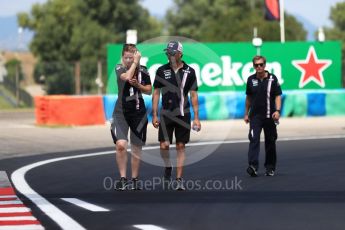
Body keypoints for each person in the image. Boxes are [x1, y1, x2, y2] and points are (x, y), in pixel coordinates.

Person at [152, 41, 201, 190]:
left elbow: (193, 95)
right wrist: (154, 115)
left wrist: (196, 118)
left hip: (183, 114)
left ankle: (179, 179)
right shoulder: (161, 70)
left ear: (180, 53)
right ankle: (168, 167)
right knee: (164, 145)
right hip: (166, 114)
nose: (170, 55)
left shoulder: (190, 71)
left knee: (180, 145)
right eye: (168, 53)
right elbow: (156, 93)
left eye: (172, 53)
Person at [110, 44, 152, 190]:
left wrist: (139, 86)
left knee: (136, 147)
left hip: (138, 112)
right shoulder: (119, 68)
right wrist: (135, 63)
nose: (128, 60)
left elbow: (149, 90)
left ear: (136, 55)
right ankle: (123, 178)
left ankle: (134, 179)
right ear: (123, 57)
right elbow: (126, 77)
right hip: (121, 112)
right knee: (121, 145)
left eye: (131, 57)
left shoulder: (143, 70)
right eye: (126, 57)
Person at [244, 55, 282, 177]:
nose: (259, 67)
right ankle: (253, 166)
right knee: (253, 139)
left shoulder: (272, 79)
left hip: (270, 116)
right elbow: (248, 98)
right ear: (253, 66)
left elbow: (277, 95)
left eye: (261, 64)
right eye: (256, 65)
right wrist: (246, 113)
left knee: (270, 141)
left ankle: (270, 167)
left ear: (265, 65)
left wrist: (278, 110)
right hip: (255, 117)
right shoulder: (251, 80)